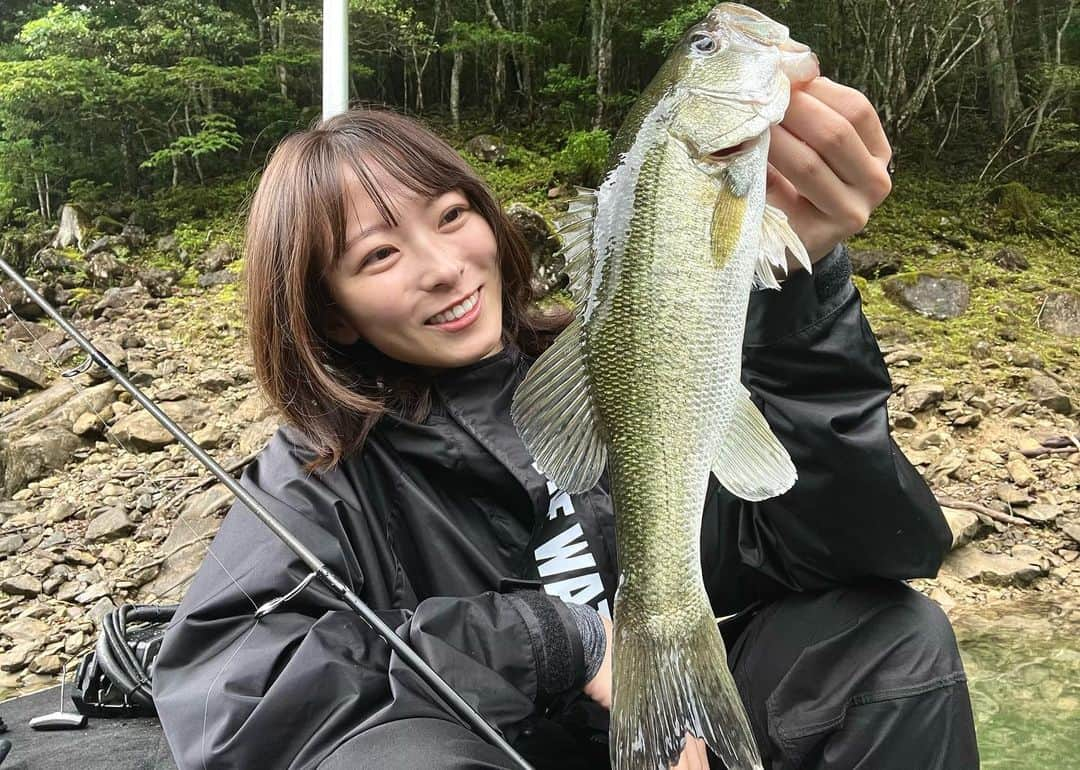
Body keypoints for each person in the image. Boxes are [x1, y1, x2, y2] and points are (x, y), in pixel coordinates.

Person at [152, 78, 979, 770]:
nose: (444, 270)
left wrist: (798, 288)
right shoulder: (314, 477)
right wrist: (557, 640)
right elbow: (234, 688)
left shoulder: (613, 361)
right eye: (379, 255)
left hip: (686, 727)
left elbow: (861, 545)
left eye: (449, 216)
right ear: (331, 315)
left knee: (891, 643)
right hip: (507, 746)